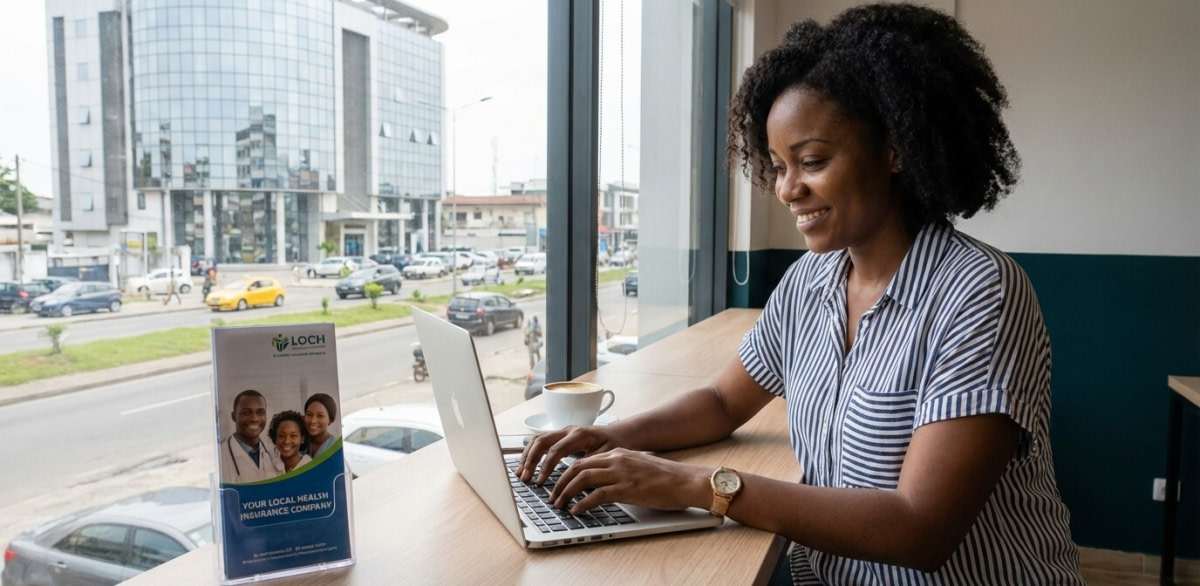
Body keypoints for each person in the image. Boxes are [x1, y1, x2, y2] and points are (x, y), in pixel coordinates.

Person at [518, 4, 1083, 584]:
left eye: (811, 161)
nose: (788, 189)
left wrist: (699, 485)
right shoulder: (810, 281)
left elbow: (920, 528)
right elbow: (723, 402)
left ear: (896, 149)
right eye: (778, 165)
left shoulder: (979, 291)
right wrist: (611, 438)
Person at [220, 390, 283, 483]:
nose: (254, 418)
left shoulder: (274, 451)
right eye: (246, 412)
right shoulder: (220, 457)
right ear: (234, 416)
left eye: (260, 412)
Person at [270, 410, 312, 475]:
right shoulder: (269, 467)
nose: (287, 441)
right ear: (275, 438)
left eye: (293, 436)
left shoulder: (311, 467)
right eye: (281, 436)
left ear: (302, 439)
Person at [304, 393, 339, 459]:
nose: (313, 421)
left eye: (320, 416)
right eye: (309, 414)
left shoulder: (336, 448)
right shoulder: (300, 443)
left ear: (330, 420)